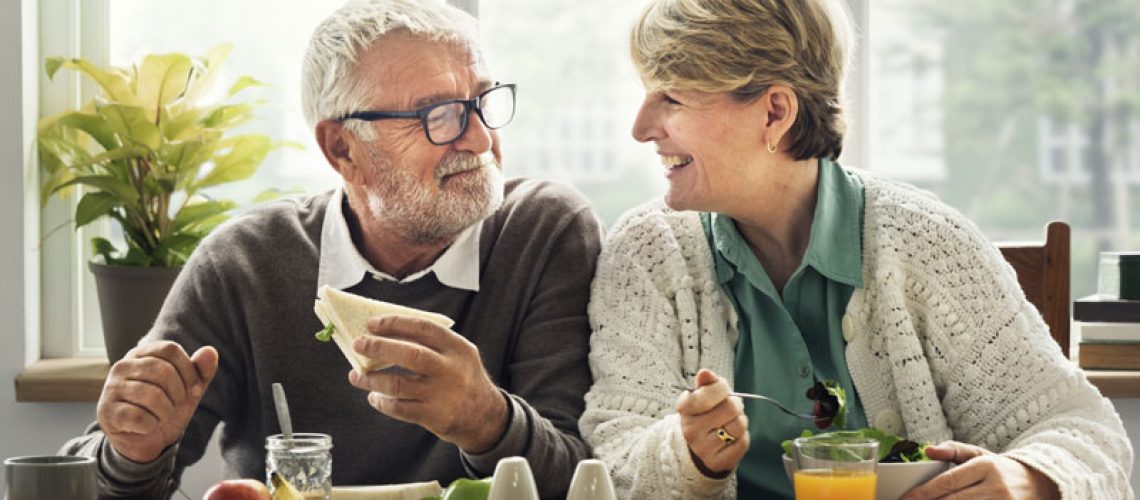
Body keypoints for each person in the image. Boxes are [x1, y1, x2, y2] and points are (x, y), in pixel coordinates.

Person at [579, 0, 1133, 498]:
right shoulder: (647, 253)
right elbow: (613, 458)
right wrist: (689, 454)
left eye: (671, 98)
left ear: (774, 112)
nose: (641, 127)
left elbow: (1084, 432)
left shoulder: (929, 244)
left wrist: (1029, 476)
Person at [61, 0, 602, 498]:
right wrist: (132, 450)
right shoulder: (245, 262)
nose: (481, 139)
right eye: (438, 116)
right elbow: (97, 481)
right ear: (342, 148)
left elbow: (588, 480)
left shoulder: (544, 233)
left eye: (483, 101)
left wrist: (487, 420)